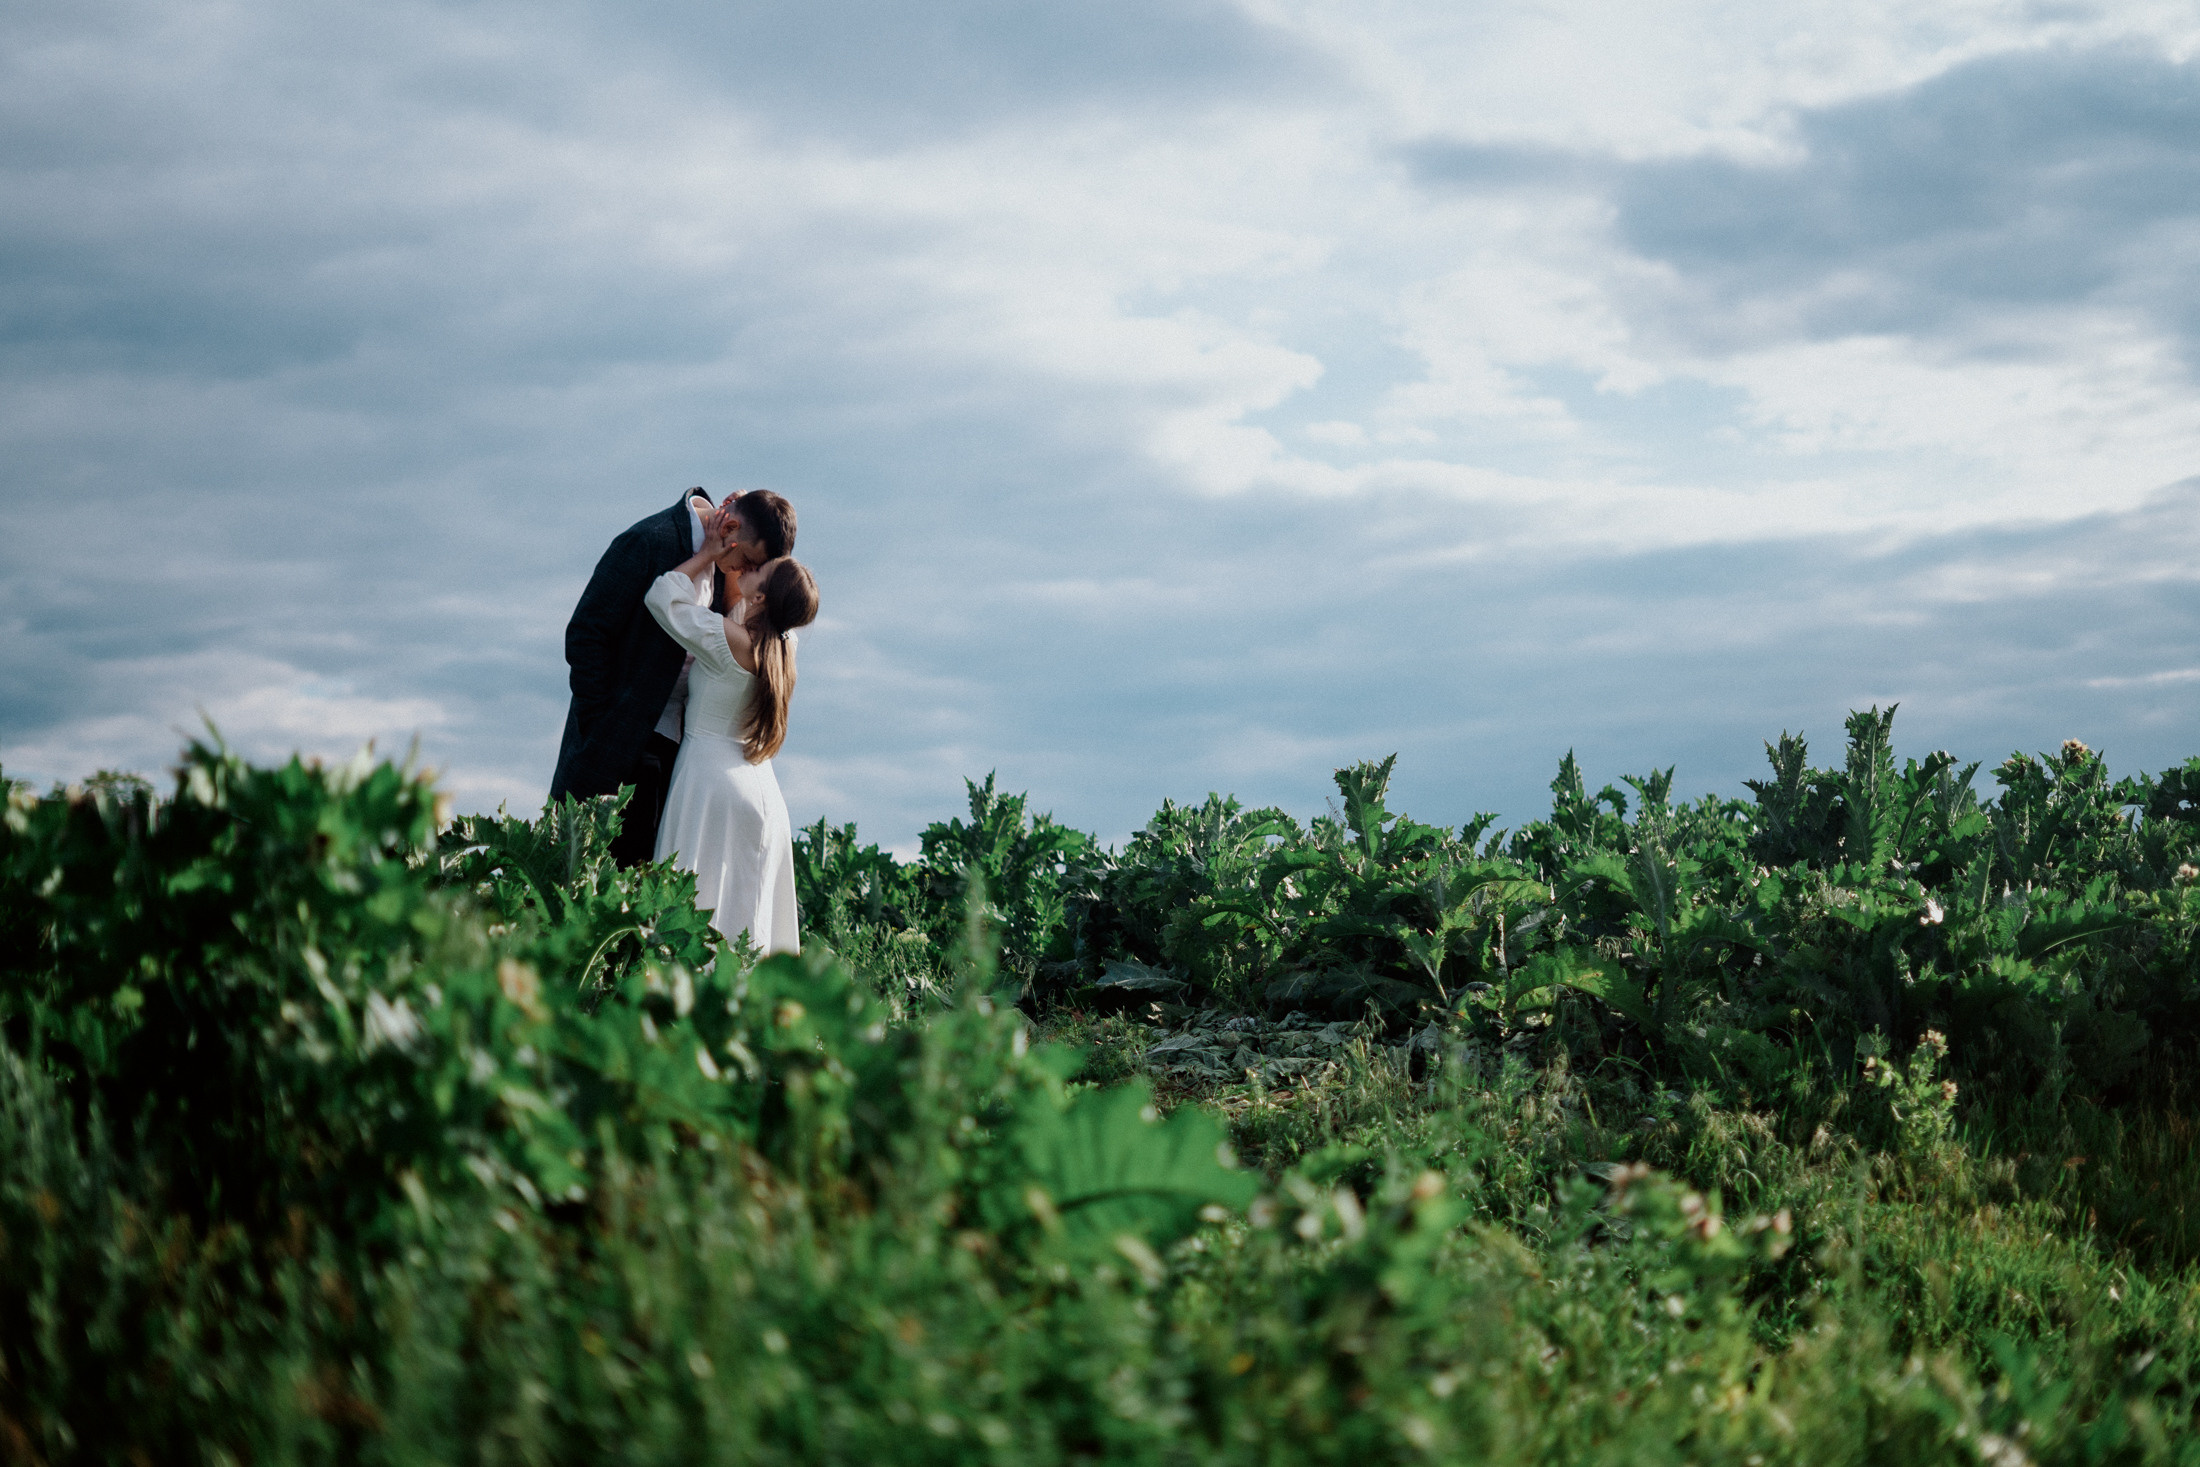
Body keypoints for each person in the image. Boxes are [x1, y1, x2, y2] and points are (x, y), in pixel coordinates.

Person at [549, 487, 796, 865]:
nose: (746, 572)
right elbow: (586, 633)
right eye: (747, 560)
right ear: (728, 526)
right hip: (612, 749)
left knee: (638, 897)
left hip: (674, 752)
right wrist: (601, 726)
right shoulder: (649, 540)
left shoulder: (724, 558)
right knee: (574, 883)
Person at [642, 508, 819, 951]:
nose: (752, 569)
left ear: (760, 599)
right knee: (748, 923)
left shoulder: (729, 641)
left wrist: (707, 555)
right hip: (762, 790)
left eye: (761, 571)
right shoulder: (784, 648)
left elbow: (663, 596)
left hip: (709, 783)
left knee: (690, 916)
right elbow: (755, 609)